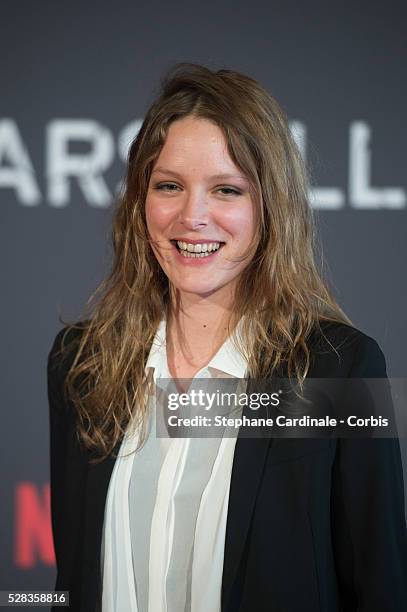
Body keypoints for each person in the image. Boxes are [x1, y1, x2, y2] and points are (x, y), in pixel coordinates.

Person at [47, 63, 407, 612]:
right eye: (169, 186)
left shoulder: (340, 369)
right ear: (140, 202)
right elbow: (71, 584)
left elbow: (381, 589)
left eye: (226, 190)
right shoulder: (83, 362)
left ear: (271, 208)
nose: (192, 216)